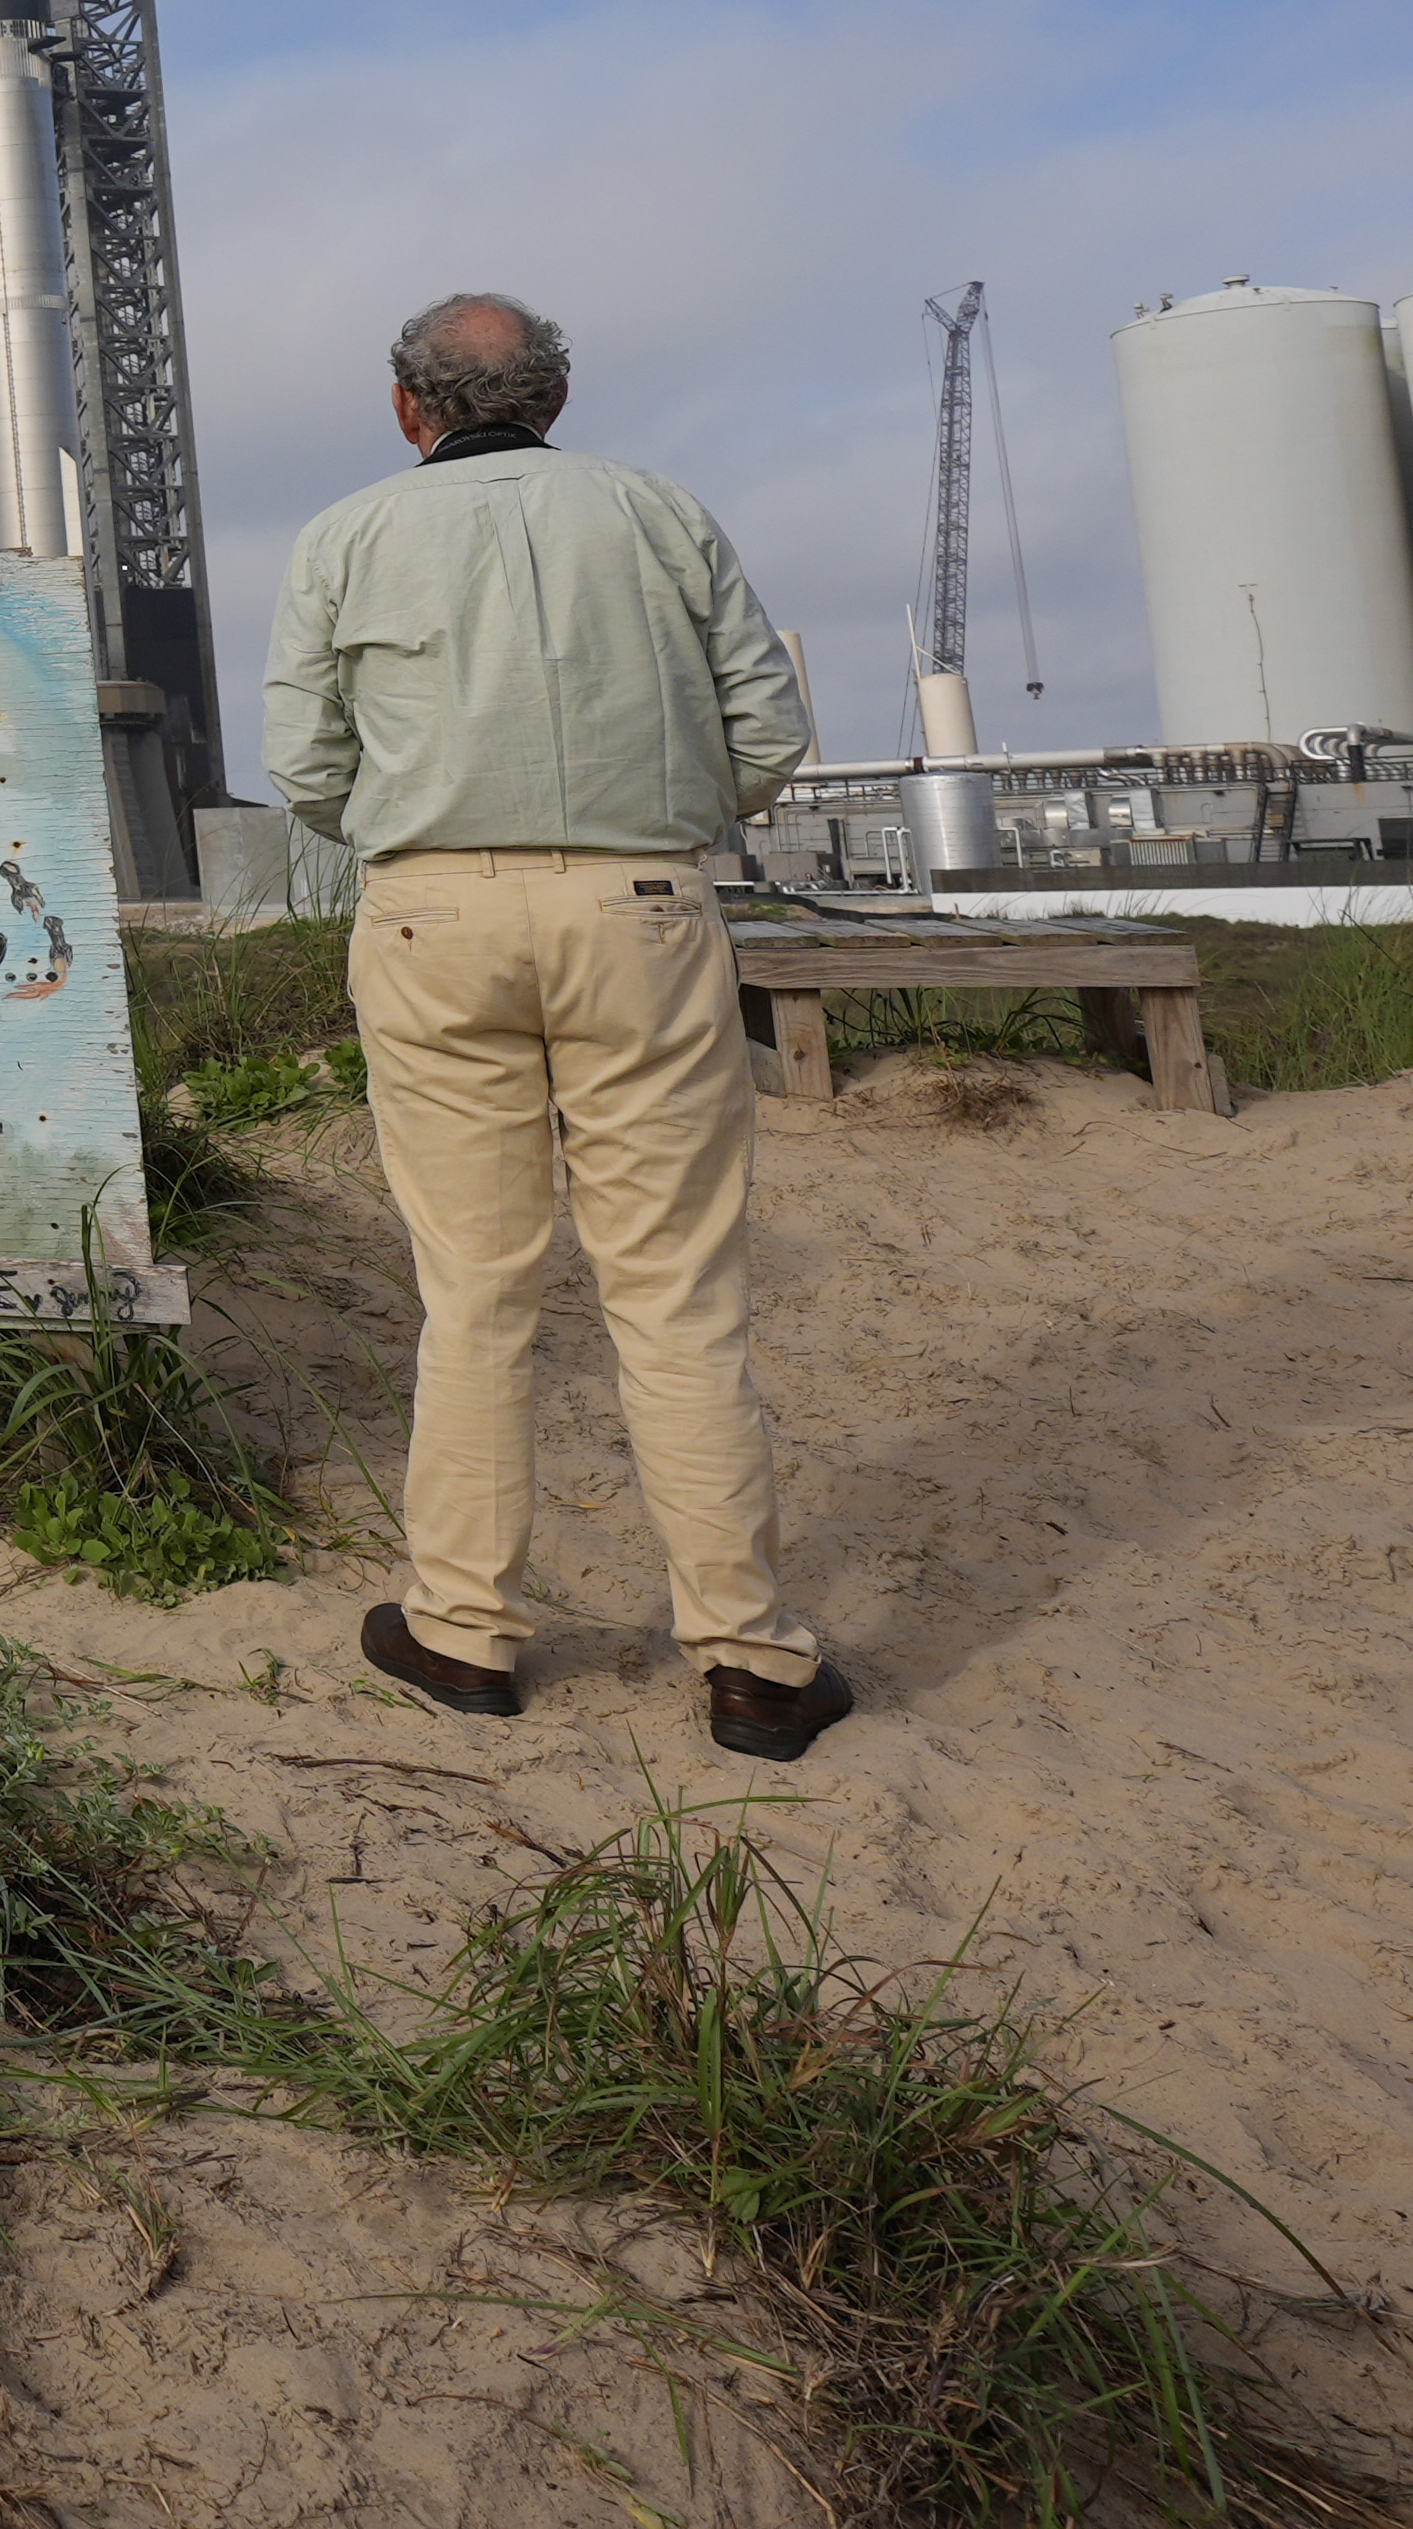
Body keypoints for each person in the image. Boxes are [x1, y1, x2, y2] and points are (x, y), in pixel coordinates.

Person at [259, 291, 849, 1761]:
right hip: (638, 911)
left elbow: (302, 766)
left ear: (409, 409)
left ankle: (461, 1630)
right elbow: (773, 736)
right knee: (678, 1296)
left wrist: (426, 831)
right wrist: (654, 826)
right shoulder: (660, 514)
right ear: (559, 394)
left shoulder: (341, 539)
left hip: (432, 915)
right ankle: (751, 1659)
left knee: (477, 1292)